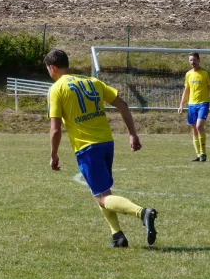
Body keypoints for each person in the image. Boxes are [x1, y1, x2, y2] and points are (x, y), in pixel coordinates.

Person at [44, 49, 157, 248]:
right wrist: (132, 133)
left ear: (52, 68)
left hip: (87, 147)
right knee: (103, 191)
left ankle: (143, 212)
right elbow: (122, 104)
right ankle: (117, 236)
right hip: (106, 143)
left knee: (103, 197)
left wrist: (53, 154)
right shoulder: (92, 81)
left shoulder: (57, 89)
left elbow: (55, 129)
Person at [178, 52, 210, 162]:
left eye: (194, 60)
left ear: (199, 60)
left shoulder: (205, 73)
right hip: (191, 105)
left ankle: (203, 153)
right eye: (190, 60)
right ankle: (198, 154)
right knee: (194, 129)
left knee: (199, 126)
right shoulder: (188, 74)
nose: (192, 62)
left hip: (203, 103)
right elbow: (186, 90)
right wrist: (181, 105)